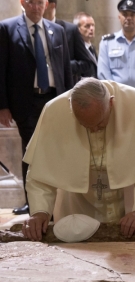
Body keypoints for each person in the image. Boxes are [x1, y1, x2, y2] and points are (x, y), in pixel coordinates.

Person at [21, 78, 135, 241]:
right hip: (81, 204)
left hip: (133, 199)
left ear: (111, 103)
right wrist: (40, 212)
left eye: (100, 124)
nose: (94, 130)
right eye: (85, 126)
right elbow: (40, 172)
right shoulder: (54, 110)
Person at [0, 0, 73, 215]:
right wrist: (3, 106)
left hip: (54, 99)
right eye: (31, 2)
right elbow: (1, 69)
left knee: (56, 151)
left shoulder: (57, 30)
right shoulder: (7, 28)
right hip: (26, 102)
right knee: (31, 152)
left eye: (40, 2)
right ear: (23, 2)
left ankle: (58, 203)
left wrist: (70, 98)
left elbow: (65, 68)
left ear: (46, 4)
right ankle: (34, 204)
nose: (36, 7)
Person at [43, 0, 96, 81]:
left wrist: (64, 66)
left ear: (51, 5)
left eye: (40, 3)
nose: (36, 7)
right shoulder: (32, 29)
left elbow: (87, 63)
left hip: (63, 87)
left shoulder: (70, 30)